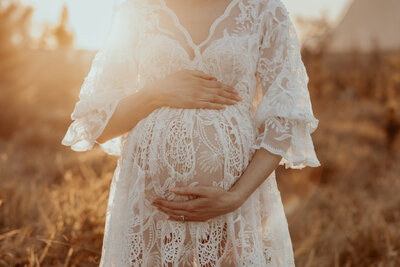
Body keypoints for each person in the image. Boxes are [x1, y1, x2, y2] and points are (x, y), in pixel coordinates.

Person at [62, 0, 320, 266]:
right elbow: (98, 124)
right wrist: (156, 93)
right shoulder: (136, 9)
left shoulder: (264, 9)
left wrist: (236, 196)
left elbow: (285, 116)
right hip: (151, 208)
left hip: (234, 207)